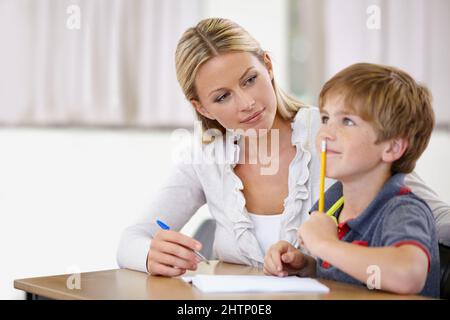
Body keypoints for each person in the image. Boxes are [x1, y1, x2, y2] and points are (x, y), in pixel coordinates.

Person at [117, 17, 450, 277]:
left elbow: (434, 217)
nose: (247, 102)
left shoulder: (330, 135)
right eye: (222, 97)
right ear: (202, 108)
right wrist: (148, 255)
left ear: (268, 66)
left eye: (250, 79)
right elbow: (132, 239)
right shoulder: (206, 156)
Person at [264, 63, 439, 297]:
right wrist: (307, 266)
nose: (325, 133)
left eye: (347, 121)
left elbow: (407, 275)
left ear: (392, 147)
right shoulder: (334, 204)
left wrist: (326, 244)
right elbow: (351, 275)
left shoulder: (403, 210)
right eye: (325, 118)